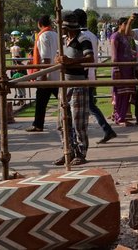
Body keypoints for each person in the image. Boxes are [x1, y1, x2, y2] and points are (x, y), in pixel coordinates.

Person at [54, 13, 95, 166]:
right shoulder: (64, 40)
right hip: (64, 85)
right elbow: (59, 57)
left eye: (62, 28)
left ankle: (81, 152)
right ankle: (67, 150)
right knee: (62, 121)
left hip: (78, 84)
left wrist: (71, 61)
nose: (61, 30)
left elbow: (90, 58)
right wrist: (59, 60)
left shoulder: (83, 39)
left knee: (78, 121)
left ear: (69, 28)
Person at [74, 9, 117, 144]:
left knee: (85, 107)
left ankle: (105, 130)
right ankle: (105, 130)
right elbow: (95, 60)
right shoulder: (92, 35)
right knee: (90, 106)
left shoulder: (79, 36)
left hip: (82, 77)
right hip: (91, 74)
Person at [25, 15, 60, 132]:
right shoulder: (55, 34)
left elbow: (46, 58)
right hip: (57, 73)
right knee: (61, 100)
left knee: (41, 101)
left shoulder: (43, 36)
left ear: (39, 24)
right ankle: (67, 121)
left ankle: (38, 124)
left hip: (47, 74)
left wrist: (44, 75)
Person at [110, 16, 136, 126]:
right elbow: (114, 55)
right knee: (119, 94)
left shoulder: (124, 37)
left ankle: (122, 117)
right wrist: (116, 68)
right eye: (125, 24)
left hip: (127, 70)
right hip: (119, 69)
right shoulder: (115, 36)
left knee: (126, 94)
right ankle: (119, 118)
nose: (127, 27)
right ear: (120, 25)